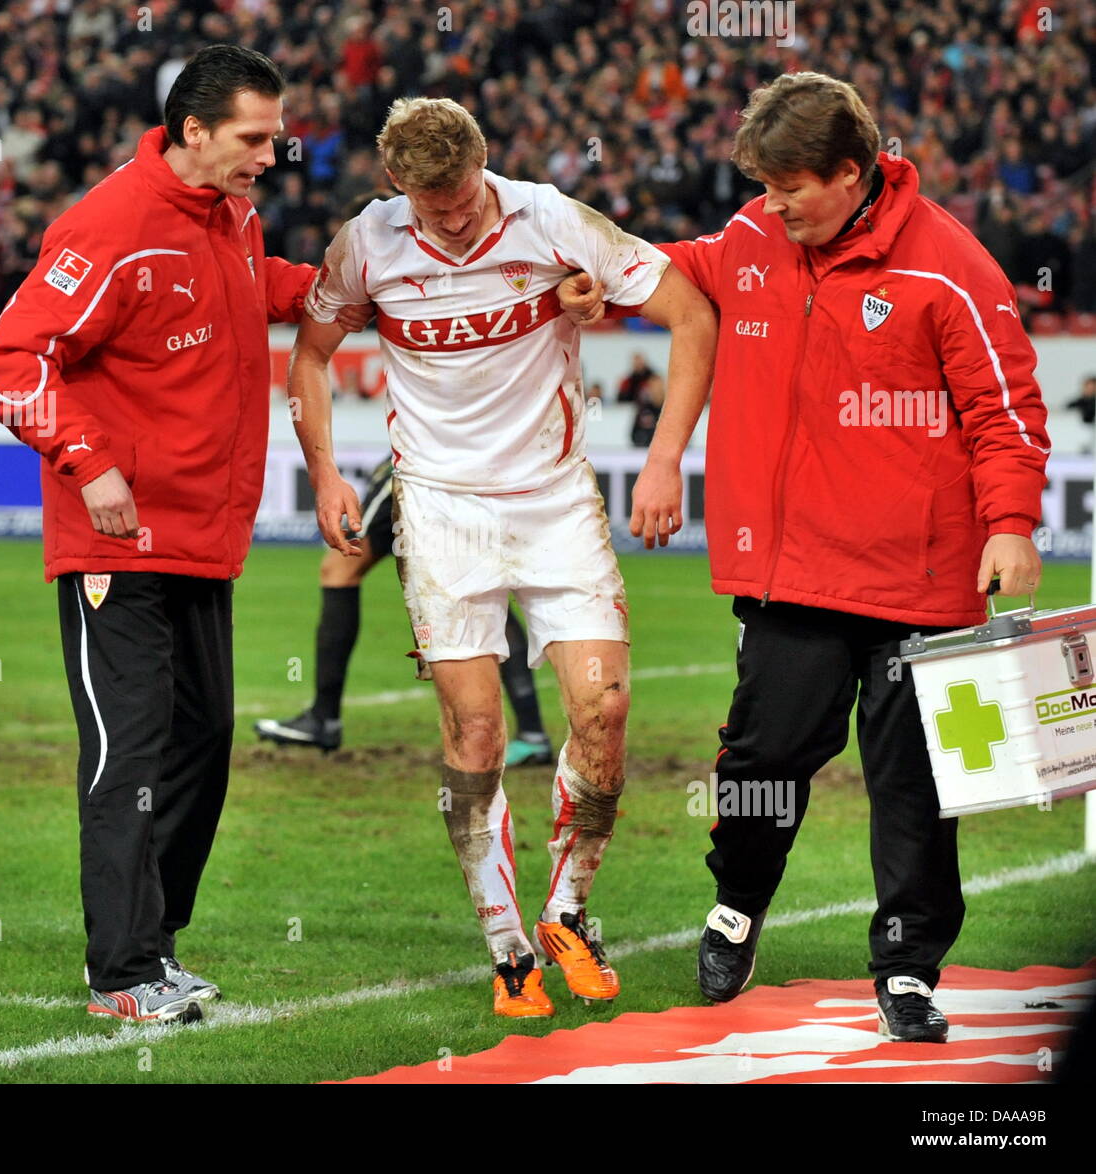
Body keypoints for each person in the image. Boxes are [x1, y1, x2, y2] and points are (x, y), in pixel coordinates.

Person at [563, 71, 1049, 1042]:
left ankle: (907, 966)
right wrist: (601, 291)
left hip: (922, 576)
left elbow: (1005, 411)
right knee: (761, 759)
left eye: (790, 187)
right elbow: (677, 270)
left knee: (915, 782)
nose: (772, 205)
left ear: (851, 173)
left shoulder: (948, 265)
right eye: (764, 185)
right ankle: (736, 901)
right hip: (793, 572)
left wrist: (1009, 523)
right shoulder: (751, 239)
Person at [289, 97, 716, 1017]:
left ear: (486, 165)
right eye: (427, 201)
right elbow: (312, 353)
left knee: (605, 707)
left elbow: (689, 311)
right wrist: (325, 473)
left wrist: (666, 459)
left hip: (557, 500)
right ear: (397, 185)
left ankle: (568, 909)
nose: (449, 216)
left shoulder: (552, 220)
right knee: (475, 735)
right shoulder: (368, 243)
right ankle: (506, 945)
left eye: (462, 195)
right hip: (441, 511)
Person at [0, 45, 329, 1025]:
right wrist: (89, 465)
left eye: (274, 134)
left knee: (200, 740)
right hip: (114, 544)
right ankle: (121, 972)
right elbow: (11, 362)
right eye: (254, 137)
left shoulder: (231, 216)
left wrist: (358, 283)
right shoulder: (111, 225)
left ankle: (156, 944)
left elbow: (253, 290)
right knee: (125, 750)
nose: (272, 152)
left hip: (198, 539)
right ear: (193, 131)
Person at [254, 450, 556, 766]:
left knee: (340, 569)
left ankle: (323, 718)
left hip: (420, 461)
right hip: (472, 462)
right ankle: (533, 733)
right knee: (480, 585)